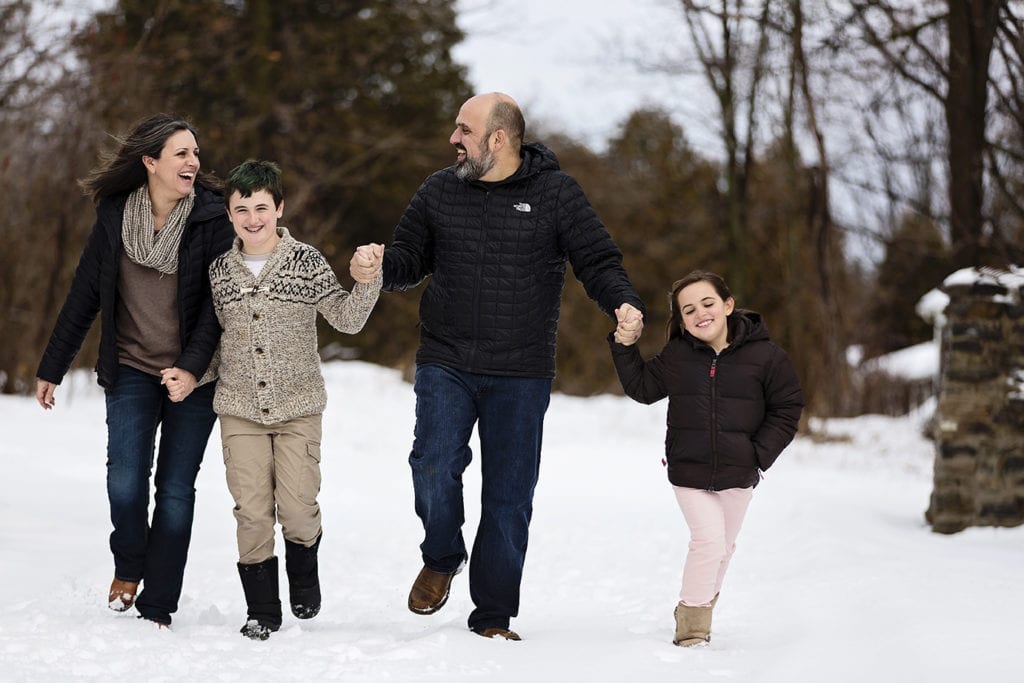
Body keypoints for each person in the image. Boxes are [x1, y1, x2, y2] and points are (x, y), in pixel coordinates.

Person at [350, 92, 646, 641]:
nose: (453, 139)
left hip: (522, 370)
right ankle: (441, 555)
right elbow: (408, 261)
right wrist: (377, 266)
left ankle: (491, 617)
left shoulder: (556, 193)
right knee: (433, 464)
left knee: (509, 496)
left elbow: (598, 260)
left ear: (498, 139)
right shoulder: (439, 190)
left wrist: (623, 304)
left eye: (463, 129)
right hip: (447, 360)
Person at [35, 114, 235, 627]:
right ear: (150, 162)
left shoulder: (212, 219)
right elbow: (85, 295)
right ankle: (129, 564)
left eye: (195, 153)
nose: (193, 163)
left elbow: (218, 309)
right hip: (131, 367)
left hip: (197, 375)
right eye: (181, 154)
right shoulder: (115, 216)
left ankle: (159, 601)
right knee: (125, 479)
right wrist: (53, 366)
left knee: (174, 488)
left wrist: (190, 369)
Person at [209, 159, 383, 640]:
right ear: (229, 214)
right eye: (241, 209)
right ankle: (262, 610)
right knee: (250, 510)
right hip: (239, 409)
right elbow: (212, 339)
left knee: (298, 506)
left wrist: (367, 282)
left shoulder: (305, 263)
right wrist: (187, 374)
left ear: (279, 208)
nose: (252, 218)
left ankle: (304, 578)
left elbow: (346, 319)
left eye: (261, 207)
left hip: (299, 408)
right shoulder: (220, 272)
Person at [609, 270, 803, 647]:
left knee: (724, 548)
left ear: (728, 305)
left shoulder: (766, 357)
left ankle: (698, 608)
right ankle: (692, 628)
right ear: (681, 320)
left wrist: (758, 454)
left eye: (708, 303)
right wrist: (624, 344)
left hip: (740, 471)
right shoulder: (679, 356)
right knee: (709, 542)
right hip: (689, 469)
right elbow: (643, 388)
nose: (700, 313)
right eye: (688, 309)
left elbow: (787, 406)